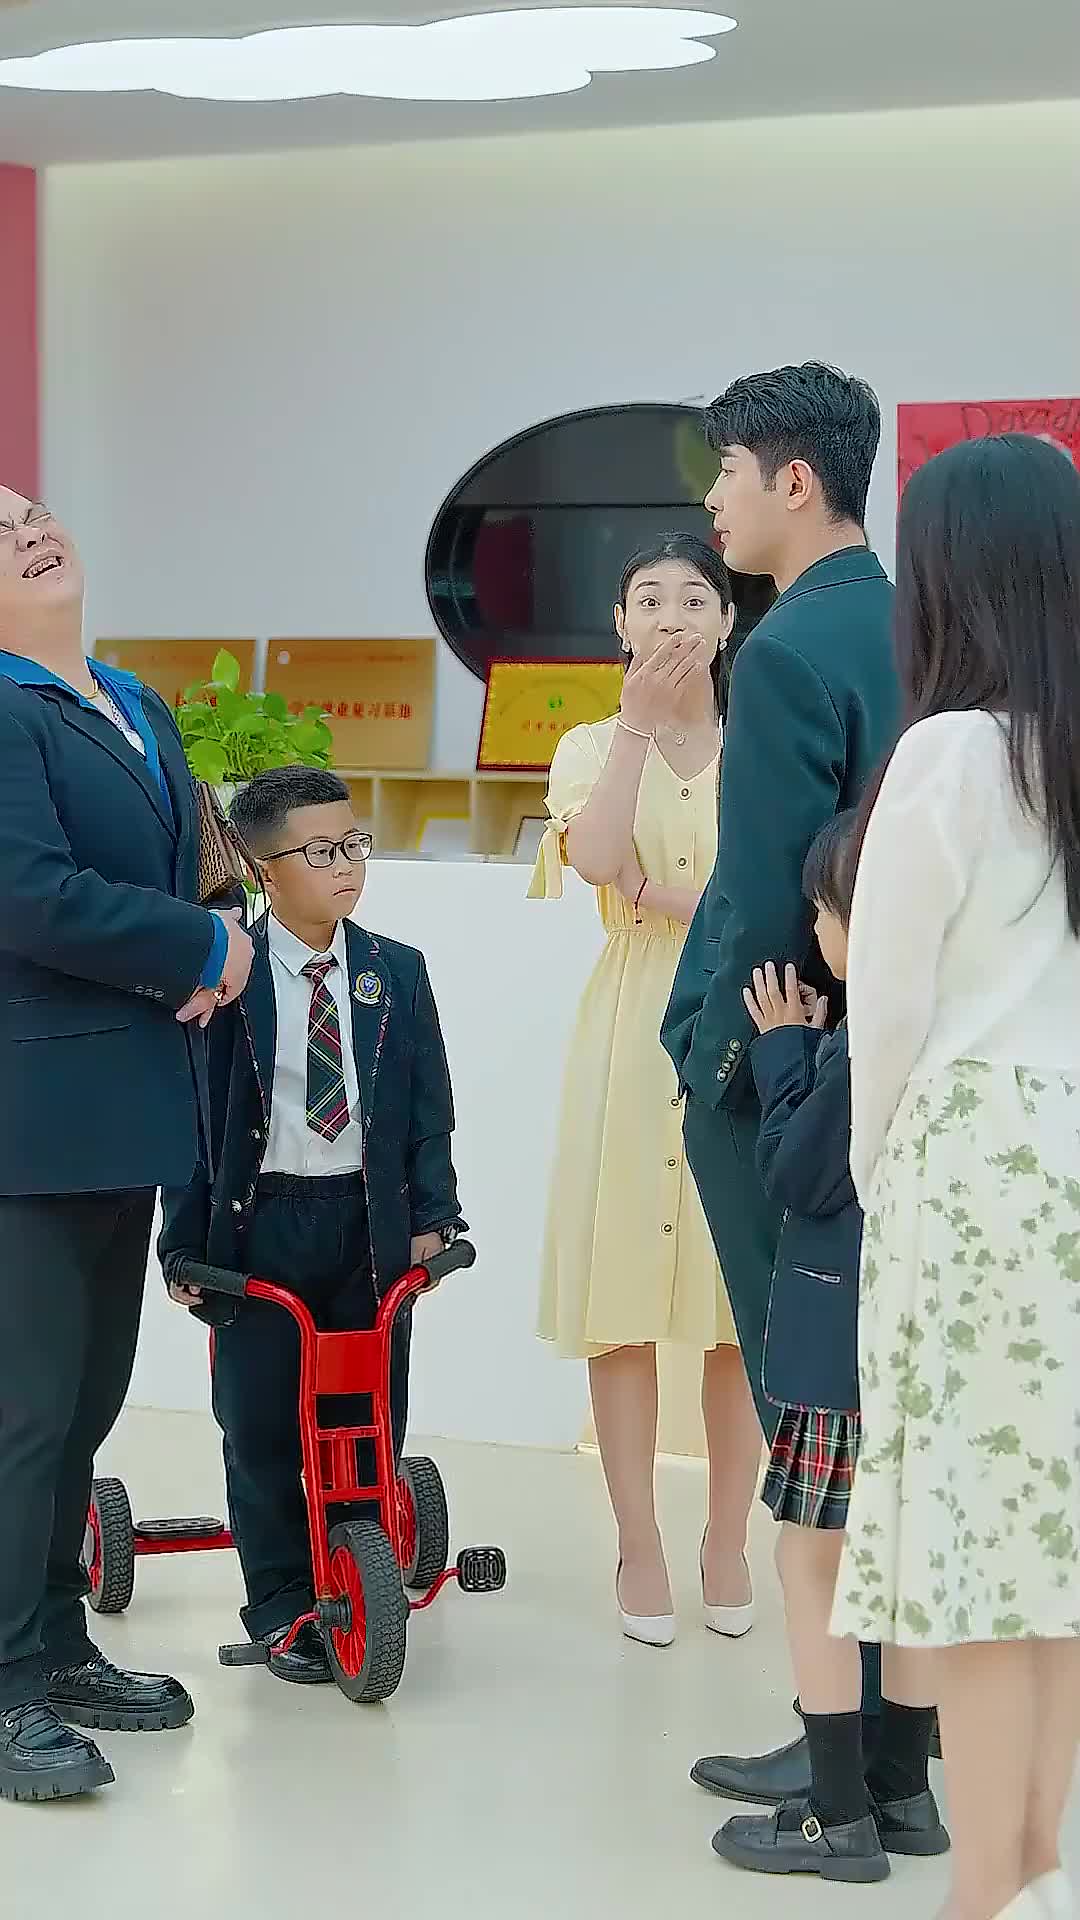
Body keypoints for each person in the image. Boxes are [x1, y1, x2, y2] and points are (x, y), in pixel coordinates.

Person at [831, 434, 1080, 1920]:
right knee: (1059, 1534)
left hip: (976, 1160)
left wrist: (879, 1166)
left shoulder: (952, 753)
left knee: (987, 1552)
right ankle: (1035, 1853)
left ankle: (985, 1884)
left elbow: (890, 1005)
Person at [661, 364, 899, 1792]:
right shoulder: (916, 619)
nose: (713, 502)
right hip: (901, 1059)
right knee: (880, 1413)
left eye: (728, 473)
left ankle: (838, 1760)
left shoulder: (790, 648)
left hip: (795, 1075)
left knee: (810, 1412)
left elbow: (760, 893)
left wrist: (719, 1062)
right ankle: (894, 1753)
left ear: (793, 480)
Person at [0, 484, 253, 1803]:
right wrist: (196, 944)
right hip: (30, 1112)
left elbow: (196, 858)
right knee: (24, 1409)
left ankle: (54, 1643)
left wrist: (226, 926)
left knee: (85, 1400)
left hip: (125, 1103)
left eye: (30, 512)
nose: (30, 532)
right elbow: (28, 896)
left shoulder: (133, 701)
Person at [159, 767, 465, 1682]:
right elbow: (191, 1123)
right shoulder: (230, 978)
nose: (346, 866)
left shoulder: (395, 971)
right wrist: (182, 1244)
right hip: (259, 1227)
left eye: (353, 845)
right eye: (321, 851)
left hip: (367, 1225)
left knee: (366, 1414)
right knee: (260, 1426)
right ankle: (283, 1603)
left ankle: (357, 1577)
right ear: (265, 868)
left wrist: (435, 1215)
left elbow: (428, 1108)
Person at [529, 534, 761, 1645]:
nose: (674, 617)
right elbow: (594, 860)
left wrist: (666, 896)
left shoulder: (765, 741)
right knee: (620, 1304)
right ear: (621, 623)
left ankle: (729, 1539)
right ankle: (638, 1544)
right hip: (631, 1032)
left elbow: (779, 895)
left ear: (728, 620)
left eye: (696, 598)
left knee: (735, 1310)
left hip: (746, 1024)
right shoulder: (588, 745)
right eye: (650, 599)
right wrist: (633, 728)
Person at [711, 815, 944, 1885]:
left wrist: (783, 1051)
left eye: (825, 910)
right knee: (909, 1564)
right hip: (932, 1343)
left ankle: (837, 1817)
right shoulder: (965, 1023)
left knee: (813, 1563)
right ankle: (904, 1793)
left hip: (843, 1341)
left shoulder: (868, 1039)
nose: (814, 931)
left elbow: (801, 1175)